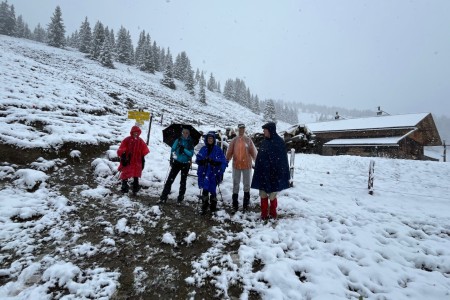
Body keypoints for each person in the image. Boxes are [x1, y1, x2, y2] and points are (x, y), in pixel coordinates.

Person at [251, 122, 290, 220]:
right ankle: (264, 214)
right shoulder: (264, 142)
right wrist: (259, 169)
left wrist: (278, 172)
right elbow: (260, 158)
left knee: (272, 196)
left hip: (274, 175)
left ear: (270, 130)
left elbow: (282, 161)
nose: (264, 132)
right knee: (263, 194)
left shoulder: (279, 142)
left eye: (265, 130)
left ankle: (273, 213)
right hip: (264, 174)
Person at [226, 123, 257, 212]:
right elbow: (229, 152)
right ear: (238, 129)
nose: (241, 130)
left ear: (244, 129)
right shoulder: (234, 140)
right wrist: (226, 161)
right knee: (236, 183)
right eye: (240, 128)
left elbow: (253, 152)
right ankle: (235, 203)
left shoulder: (248, 140)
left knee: (246, 184)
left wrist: (257, 162)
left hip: (247, 165)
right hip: (236, 165)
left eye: (243, 128)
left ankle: (245, 204)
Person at [159, 128, 195, 204]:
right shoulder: (178, 140)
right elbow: (173, 150)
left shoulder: (190, 142)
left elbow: (191, 154)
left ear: (188, 134)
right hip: (177, 162)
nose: (185, 134)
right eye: (184, 132)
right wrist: (172, 157)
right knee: (170, 180)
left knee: (183, 181)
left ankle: (180, 198)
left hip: (186, 163)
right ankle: (163, 197)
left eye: (187, 133)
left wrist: (184, 149)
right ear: (182, 133)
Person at [196, 131, 228, 214]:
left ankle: (213, 204)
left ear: (214, 139)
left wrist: (213, 162)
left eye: (211, 138)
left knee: (212, 188)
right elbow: (198, 160)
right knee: (205, 188)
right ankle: (205, 203)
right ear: (207, 139)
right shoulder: (203, 149)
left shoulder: (217, 149)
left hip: (213, 172)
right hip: (204, 171)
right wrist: (203, 160)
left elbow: (222, 160)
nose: (210, 139)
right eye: (209, 138)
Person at [117, 125, 150, 195]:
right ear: (132, 132)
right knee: (126, 172)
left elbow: (145, 149)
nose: (136, 134)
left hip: (137, 160)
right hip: (128, 159)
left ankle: (135, 188)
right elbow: (122, 148)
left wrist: (142, 157)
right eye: (134, 132)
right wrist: (123, 155)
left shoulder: (140, 141)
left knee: (136, 173)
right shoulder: (127, 139)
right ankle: (124, 186)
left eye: (137, 132)